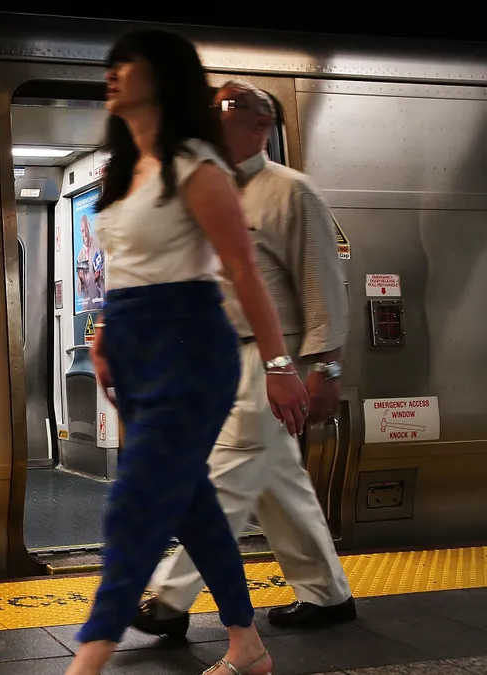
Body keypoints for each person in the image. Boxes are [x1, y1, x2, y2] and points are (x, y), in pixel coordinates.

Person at [63, 30, 309, 675]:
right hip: (137, 348)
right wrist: (105, 335)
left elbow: (244, 272)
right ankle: (247, 645)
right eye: (109, 61)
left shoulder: (195, 164)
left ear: (161, 74)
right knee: (195, 505)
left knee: (135, 501)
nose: (112, 72)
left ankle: (86, 659)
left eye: (127, 62)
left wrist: (282, 367)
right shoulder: (125, 169)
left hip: (190, 348)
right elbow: (124, 269)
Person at [130, 81, 356, 638]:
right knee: (278, 481)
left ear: (259, 125)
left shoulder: (290, 192)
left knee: (224, 473)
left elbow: (324, 286)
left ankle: (168, 596)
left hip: (267, 360)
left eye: (222, 114)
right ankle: (327, 595)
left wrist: (323, 369)